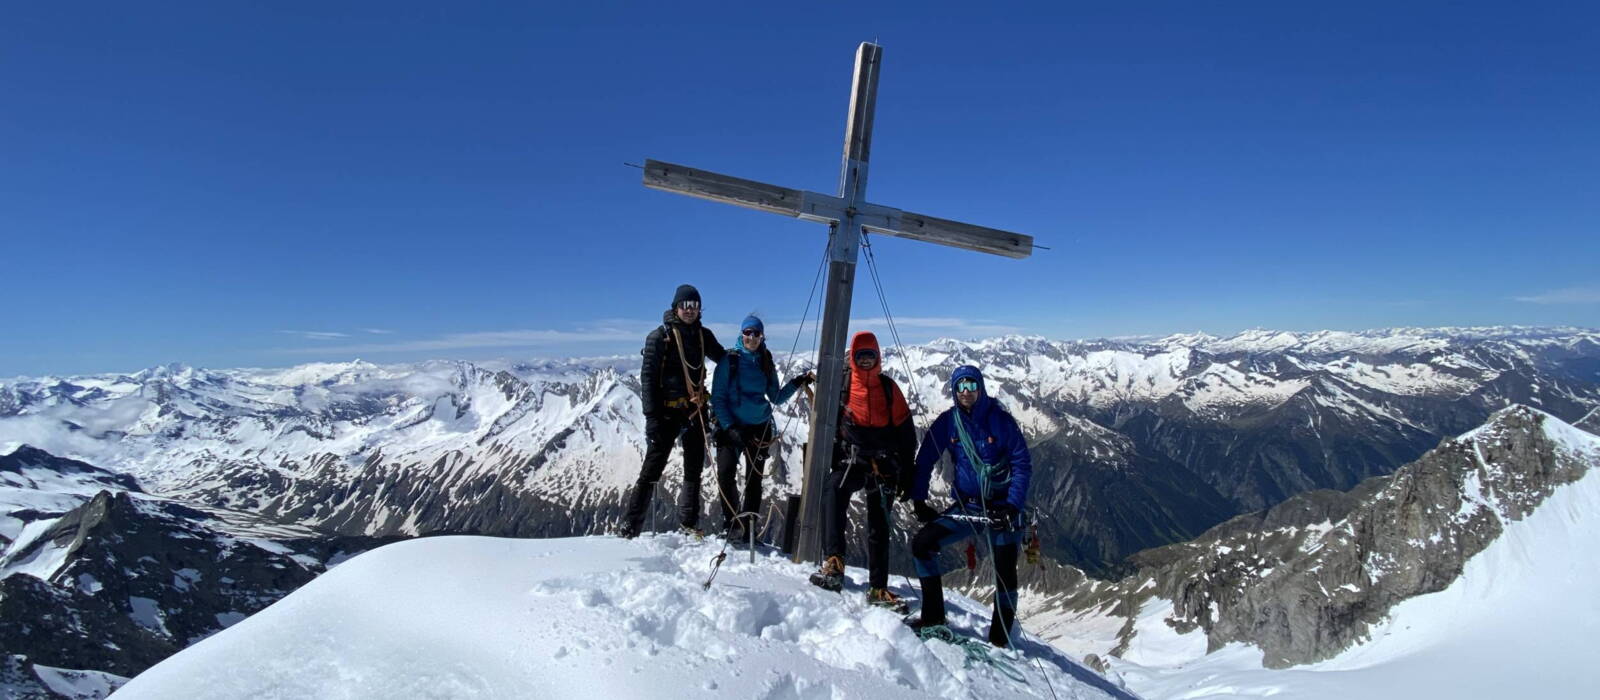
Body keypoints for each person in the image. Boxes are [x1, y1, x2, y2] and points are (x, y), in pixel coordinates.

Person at [904, 365, 1033, 648]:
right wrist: (918, 498)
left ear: (981, 388)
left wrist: (1012, 505)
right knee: (923, 544)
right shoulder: (948, 422)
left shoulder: (1001, 421)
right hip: (969, 506)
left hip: (1001, 508)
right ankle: (933, 618)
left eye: (971, 386)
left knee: (1004, 570)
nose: (966, 393)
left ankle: (1000, 638)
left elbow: (1022, 464)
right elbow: (925, 458)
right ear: (953, 390)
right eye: (961, 387)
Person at [809, 331, 917, 613]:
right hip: (854, 461)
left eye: (870, 356)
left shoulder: (889, 389)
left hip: (883, 465)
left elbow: (906, 435)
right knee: (834, 490)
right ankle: (834, 561)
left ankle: (877, 586)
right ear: (854, 359)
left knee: (879, 524)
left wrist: (907, 471)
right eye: (861, 356)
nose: (866, 361)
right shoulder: (844, 386)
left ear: (878, 358)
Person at [619, 284, 726, 539]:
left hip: (693, 409)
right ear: (676, 307)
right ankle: (631, 525)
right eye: (685, 305)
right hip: (667, 413)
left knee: (693, 469)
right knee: (652, 470)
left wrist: (749, 355)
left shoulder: (703, 336)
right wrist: (651, 418)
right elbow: (648, 379)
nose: (690, 310)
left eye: (694, 306)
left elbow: (722, 357)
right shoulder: (659, 337)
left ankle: (688, 523)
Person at [709, 315, 814, 541]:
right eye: (748, 333)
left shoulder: (765, 360)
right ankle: (732, 523)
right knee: (725, 473)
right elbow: (717, 398)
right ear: (742, 334)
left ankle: (748, 527)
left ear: (762, 336)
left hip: (759, 427)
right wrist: (729, 427)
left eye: (756, 334)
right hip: (733, 428)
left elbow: (775, 397)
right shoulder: (730, 360)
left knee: (754, 480)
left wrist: (796, 382)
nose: (752, 338)